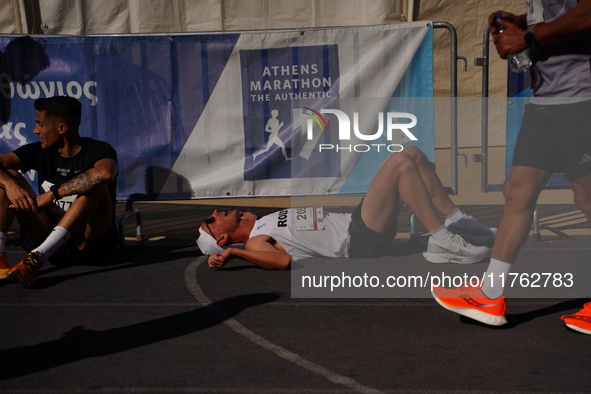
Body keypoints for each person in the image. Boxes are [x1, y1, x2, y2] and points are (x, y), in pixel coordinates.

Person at [432, 0, 591, 334]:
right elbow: (560, 14)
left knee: (586, 197)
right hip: (546, 102)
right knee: (517, 191)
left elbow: (585, 15)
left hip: (581, 100)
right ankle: (490, 294)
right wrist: (520, 21)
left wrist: (528, 37)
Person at [197, 145, 494, 270]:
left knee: (412, 154)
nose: (218, 212)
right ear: (221, 238)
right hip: (357, 237)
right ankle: (443, 239)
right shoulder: (256, 241)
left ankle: (456, 221)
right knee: (400, 162)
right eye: (212, 219)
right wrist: (235, 253)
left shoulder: (262, 224)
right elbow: (283, 263)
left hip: (357, 223)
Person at [0, 96, 119, 288]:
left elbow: (105, 173)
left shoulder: (98, 150)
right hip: (45, 236)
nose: (35, 130)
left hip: (87, 245)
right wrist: (10, 183)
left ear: (62, 128)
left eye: (40, 124)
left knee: (95, 185)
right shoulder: (38, 151)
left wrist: (52, 194)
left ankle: (39, 257)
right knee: (7, 177)